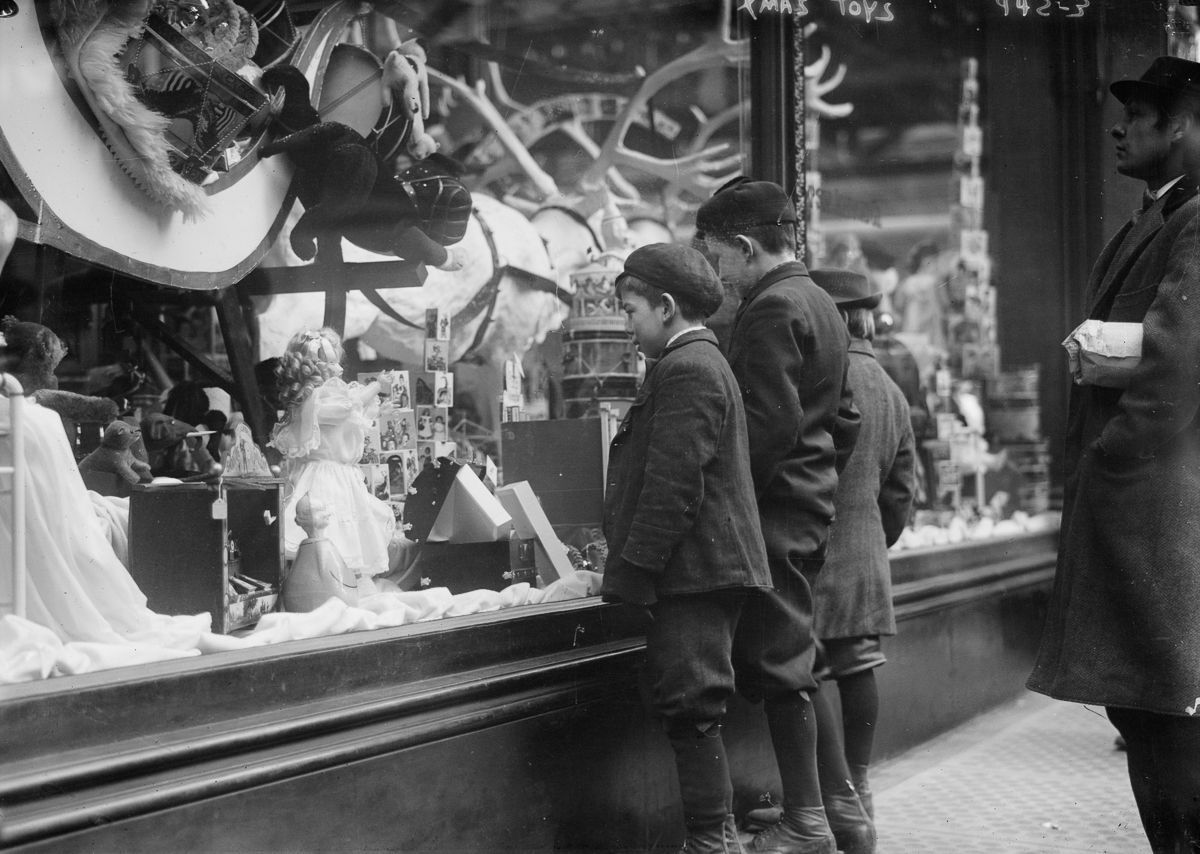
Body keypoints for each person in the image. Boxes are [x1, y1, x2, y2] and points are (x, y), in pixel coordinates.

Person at [1026, 56, 1200, 853]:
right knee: (1145, 706)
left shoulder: (1194, 219)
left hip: (1155, 509)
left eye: (1141, 114)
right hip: (1141, 509)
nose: (1119, 127)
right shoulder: (1153, 219)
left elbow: (1173, 361)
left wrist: (1110, 463)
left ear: (1186, 125)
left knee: (1166, 711)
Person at [694, 178, 861, 854]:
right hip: (807, 506)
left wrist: (727, 508)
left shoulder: (768, 309)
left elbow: (764, 430)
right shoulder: (820, 300)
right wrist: (815, 480)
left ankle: (807, 824)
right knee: (802, 658)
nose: (713, 271)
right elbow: (842, 420)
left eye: (713, 255)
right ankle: (841, 811)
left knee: (781, 664)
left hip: (773, 515)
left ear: (742, 245)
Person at [601, 242, 773, 854]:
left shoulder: (689, 367)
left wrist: (634, 570)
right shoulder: (696, 362)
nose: (626, 324)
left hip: (695, 574)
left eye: (630, 310)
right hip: (700, 570)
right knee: (692, 707)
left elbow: (674, 486)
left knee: (692, 707)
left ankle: (711, 845)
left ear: (667, 306)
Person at [808, 269, 916, 823]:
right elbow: (901, 494)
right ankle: (862, 786)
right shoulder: (892, 390)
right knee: (857, 667)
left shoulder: (820, 376)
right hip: (865, 551)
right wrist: (874, 536)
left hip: (811, 549)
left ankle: (836, 796)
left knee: (808, 673)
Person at [269, 328, 395, 596]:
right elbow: (345, 410)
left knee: (348, 535)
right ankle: (323, 589)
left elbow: (350, 419)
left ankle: (348, 587)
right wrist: (376, 386)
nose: (337, 367)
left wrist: (374, 406)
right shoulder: (316, 397)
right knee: (332, 532)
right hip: (325, 477)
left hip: (340, 475)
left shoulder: (328, 394)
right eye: (330, 359)